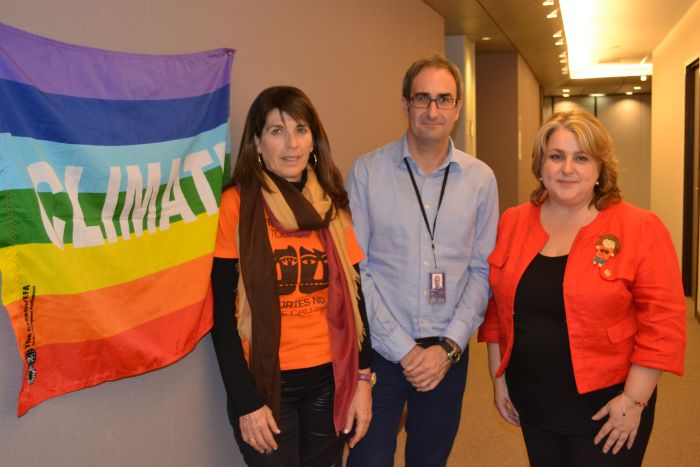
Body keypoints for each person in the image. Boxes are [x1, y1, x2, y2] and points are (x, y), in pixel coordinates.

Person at [478, 110, 686, 466]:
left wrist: (634, 401)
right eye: (556, 156)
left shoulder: (640, 227)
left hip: (609, 408)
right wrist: (499, 380)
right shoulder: (513, 221)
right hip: (534, 401)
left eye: (582, 158)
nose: (567, 169)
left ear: (600, 168)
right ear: (540, 165)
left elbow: (663, 323)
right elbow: (497, 309)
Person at [346, 55, 499, 466]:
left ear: (458, 107)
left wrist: (448, 347)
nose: (433, 110)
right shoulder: (367, 173)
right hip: (381, 350)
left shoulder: (481, 180)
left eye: (444, 99)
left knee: (430, 459)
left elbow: (481, 270)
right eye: (422, 98)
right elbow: (357, 270)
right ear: (405, 103)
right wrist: (405, 350)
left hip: (447, 353)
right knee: (367, 459)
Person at [210, 86, 374, 466]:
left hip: (330, 377)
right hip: (267, 383)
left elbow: (357, 301)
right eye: (276, 131)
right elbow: (220, 315)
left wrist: (362, 381)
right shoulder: (235, 206)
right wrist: (245, 402)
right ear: (257, 142)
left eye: (300, 130)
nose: (291, 144)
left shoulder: (331, 205)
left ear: (313, 140)